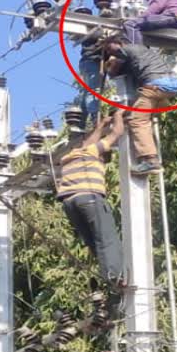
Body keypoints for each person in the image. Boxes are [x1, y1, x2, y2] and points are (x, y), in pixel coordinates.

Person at [58, 110, 125, 286]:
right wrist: (119, 114)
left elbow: (89, 141)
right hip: (88, 198)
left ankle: (110, 275)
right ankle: (114, 276)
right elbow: (117, 133)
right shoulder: (93, 153)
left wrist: (101, 125)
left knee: (95, 241)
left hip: (69, 203)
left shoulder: (71, 156)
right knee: (107, 238)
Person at [102, 36, 177, 175]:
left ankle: (151, 161)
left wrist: (106, 63)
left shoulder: (127, 49)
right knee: (144, 116)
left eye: (110, 48)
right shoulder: (144, 51)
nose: (110, 52)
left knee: (137, 120)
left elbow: (114, 69)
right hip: (171, 87)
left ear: (119, 43)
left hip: (155, 86)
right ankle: (150, 149)